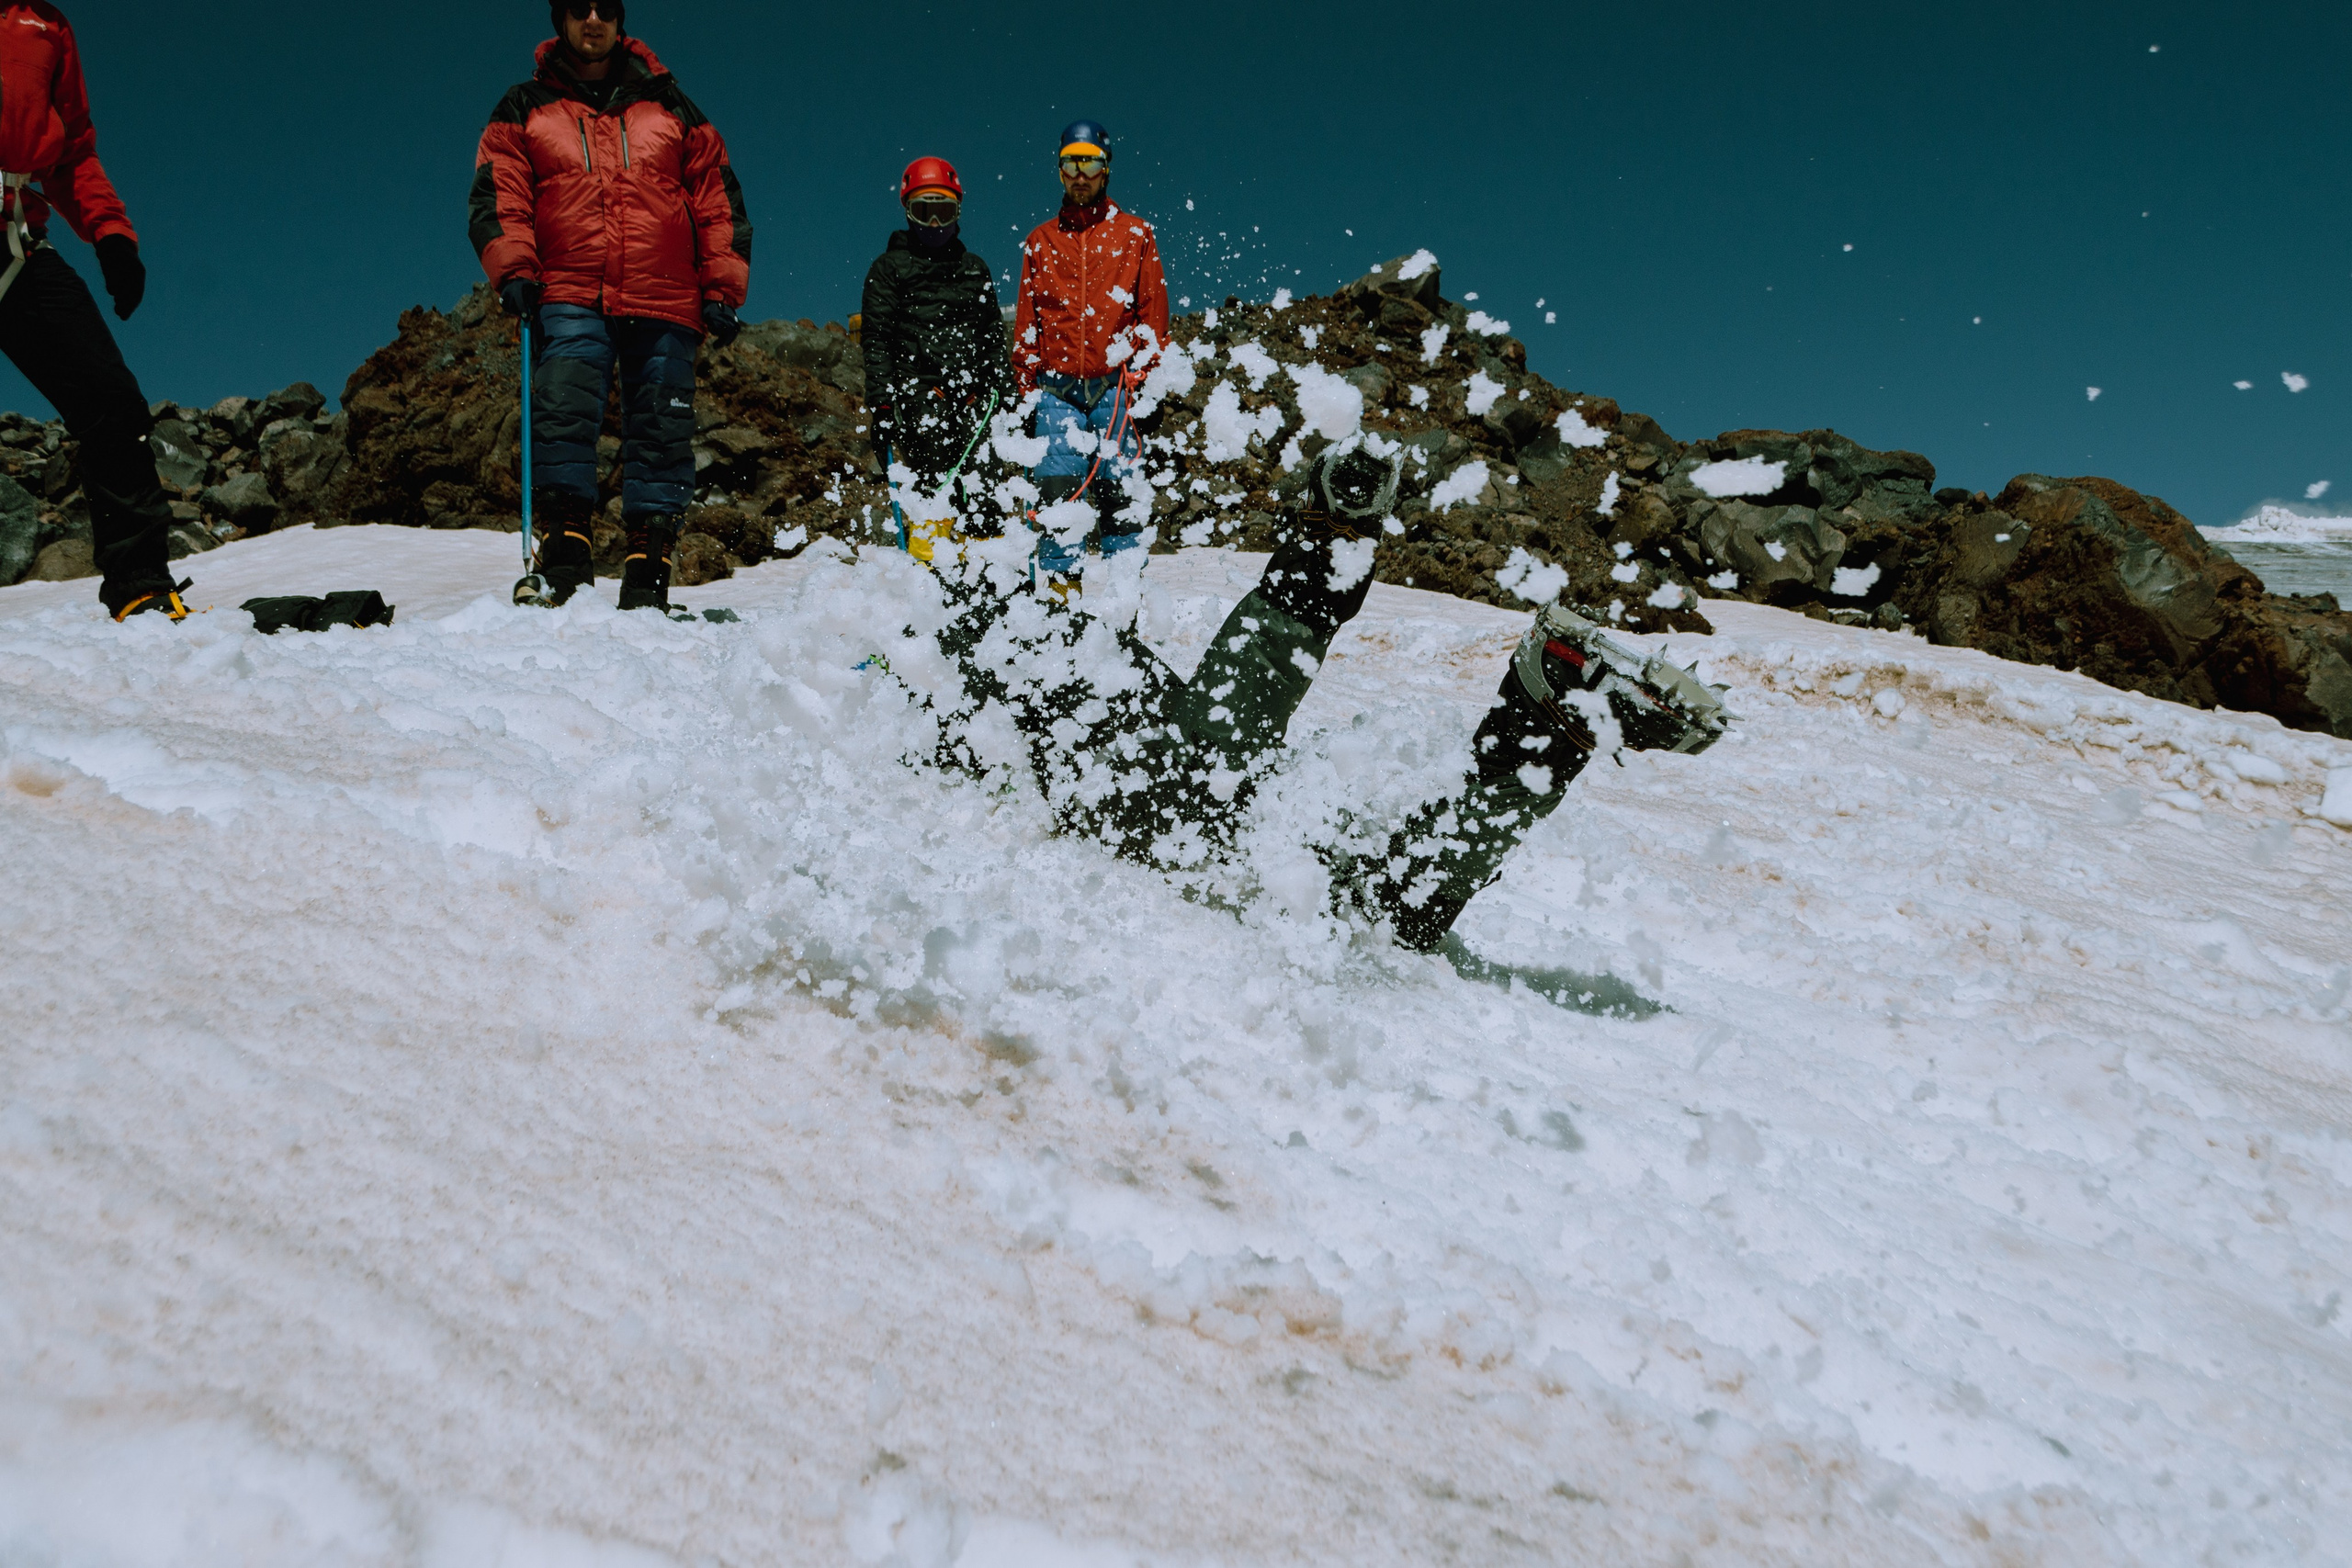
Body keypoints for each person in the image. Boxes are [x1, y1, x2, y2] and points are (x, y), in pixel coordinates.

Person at [924, 442, 1730, 951]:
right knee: (1366, 881)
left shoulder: (941, 659)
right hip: (1156, 756)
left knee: (1354, 880)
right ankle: (1543, 720)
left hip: (1137, 771)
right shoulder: (990, 636)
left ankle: (1540, 723)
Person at [469, 0, 752, 612]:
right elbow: (499, 190)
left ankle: (649, 573)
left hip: (667, 294)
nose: (591, 19)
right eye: (577, 7)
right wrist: (515, 268)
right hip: (569, 287)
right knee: (564, 410)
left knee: (661, 428)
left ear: (621, 19)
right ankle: (566, 562)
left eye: (604, 7)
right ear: (559, 20)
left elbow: (715, 195)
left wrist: (721, 287)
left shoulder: (671, 105)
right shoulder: (524, 107)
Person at [0, 3, 188, 621]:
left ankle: (139, 587)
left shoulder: (48, 26)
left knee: (109, 398)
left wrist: (111, 234)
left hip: (16, 242)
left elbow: (74, 148)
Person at [1011, 119, 1169, 596]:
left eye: (1091, 161)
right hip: (1056, 393)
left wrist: (1148, 383)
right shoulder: (1041, 240)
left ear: (1107, 168)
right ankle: (1062, 627)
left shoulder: (1136, 234)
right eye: (1070, 162)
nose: (1081, 173)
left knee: (1121, 508)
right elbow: (1027, 319)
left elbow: (1151, 316)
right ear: (1059, 170)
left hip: (1117, 389)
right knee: (1059, 510)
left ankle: (1124, 622)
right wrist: (1026, 391)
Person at [860, 156, 1013, 564]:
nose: (933, 223)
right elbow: (877, 340)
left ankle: (985, 577)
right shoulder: (888, 268)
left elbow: (992, 337)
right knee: (932, 485)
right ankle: (930, 576)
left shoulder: (974, 269)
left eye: (942, 211)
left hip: (973, 398)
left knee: (983, 483)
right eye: (923, 211)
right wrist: (883, 403)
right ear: (907, 211)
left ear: (958, 211)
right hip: (917, 394)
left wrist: (1003, 389)